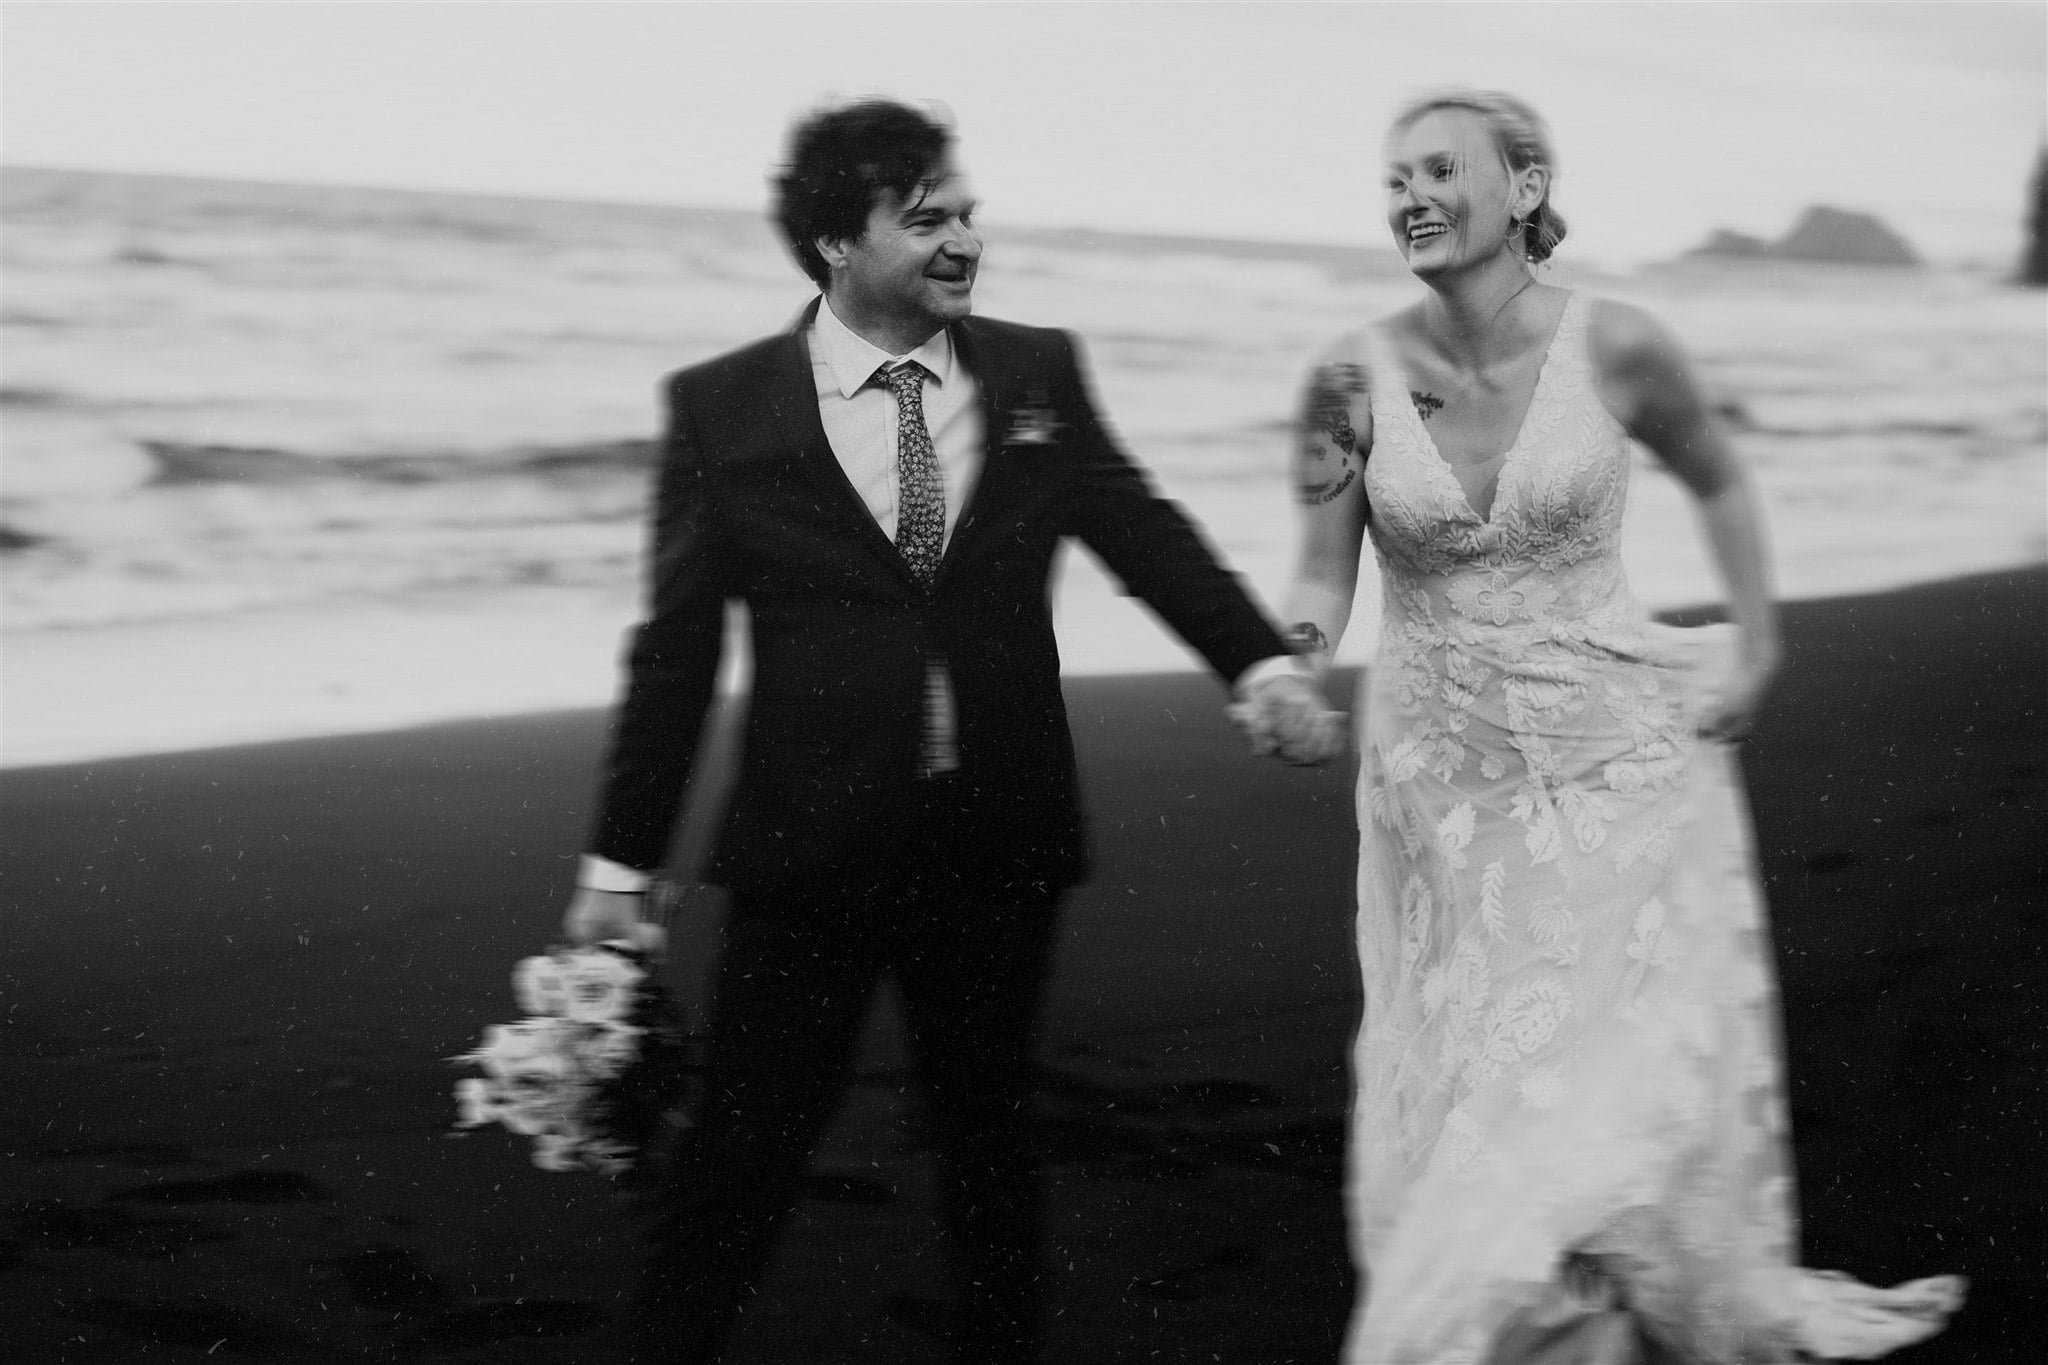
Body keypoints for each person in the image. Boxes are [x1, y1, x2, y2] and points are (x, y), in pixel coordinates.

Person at [560, 99, 1336, 1364]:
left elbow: (1138, 526)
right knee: (740, 1153)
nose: (965, 237)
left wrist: (1254, 665)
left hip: (996, 839)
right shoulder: (722, 409)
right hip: (806, 851)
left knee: (988, 1146)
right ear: (832, 245)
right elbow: (675, 653)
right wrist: (616, 868)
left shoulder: (1035, 372)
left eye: (968, 210)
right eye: (926, 218)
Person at [1271, 89, 1965, 1361]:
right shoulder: (1343, 378)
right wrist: (1293, 661)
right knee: (1475, 1055)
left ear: (1524, 190)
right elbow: (1321, 575)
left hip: (1608, 756)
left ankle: (1567, 1304)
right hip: (1441, 775)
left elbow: (1717, 476)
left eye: (1438, 170)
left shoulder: (1622, 346)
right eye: (1391, 180)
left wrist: (1756, 642)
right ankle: (1530, 1304)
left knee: (1591, 1054)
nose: (1406, 198)